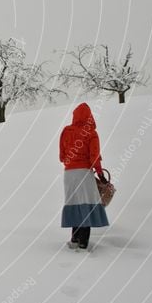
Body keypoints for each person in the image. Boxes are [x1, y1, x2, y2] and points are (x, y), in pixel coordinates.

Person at [59, 102, 109, 250]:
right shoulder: (91, 133)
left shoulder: (66, 131)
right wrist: (100, 174)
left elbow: (62, 157)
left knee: (74, 204)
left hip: (69, 174)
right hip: (84, 173)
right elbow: (94, 157)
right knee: (86, 205)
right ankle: (83, 243)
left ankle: (74, 239)